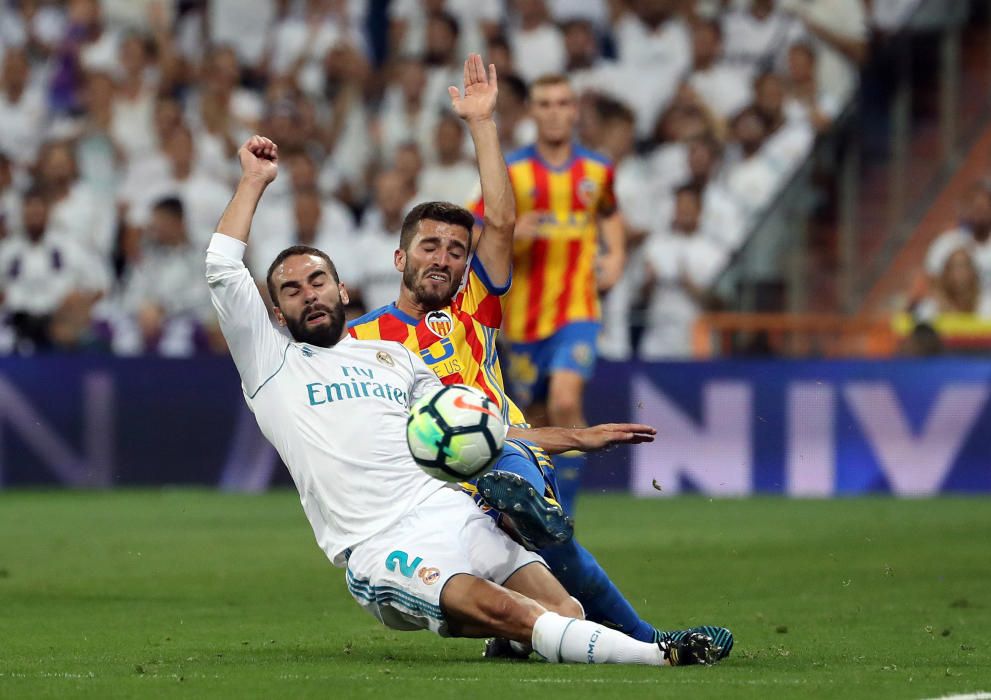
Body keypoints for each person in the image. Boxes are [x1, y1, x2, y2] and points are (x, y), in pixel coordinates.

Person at [205, 132, 719, 668]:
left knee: (560, 602)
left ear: (343, 289)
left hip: (455, 489)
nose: (310, 293)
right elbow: (221, 269)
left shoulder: (393, 357)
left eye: (319, 281)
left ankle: (529, 619)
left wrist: (573, 438)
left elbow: (465, 425)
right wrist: (253, 181)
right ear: (278, 315)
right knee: (520, 604)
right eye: (293, 290)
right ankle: (656, 652)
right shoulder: (275, 364)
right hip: (386, 536)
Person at [350, 55, 733, 657]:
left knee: (518, 496)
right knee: (552, 580)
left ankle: (636, 637)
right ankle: (555, 632)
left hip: (505, 451)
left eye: (456, 249)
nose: (445, 259)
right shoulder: (364, 340)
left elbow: (500, 222)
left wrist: (483, 123)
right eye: (430, 247)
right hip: (426, 488)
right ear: (400, 260)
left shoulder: (475, 300)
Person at [470, 73, 625, 514]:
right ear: (533, 112)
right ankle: (541, 511)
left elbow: (610, 214)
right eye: (545, 104)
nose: (555, 112)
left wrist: (615, 258)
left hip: (577, 310)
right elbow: (475, 224)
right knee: (534, 423)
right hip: (520, 321)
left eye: (562, 103)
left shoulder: (597, 171)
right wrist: (513, 232)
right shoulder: (513, 171)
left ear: (574, 110)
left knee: (564, 400)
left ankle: (566, 516)